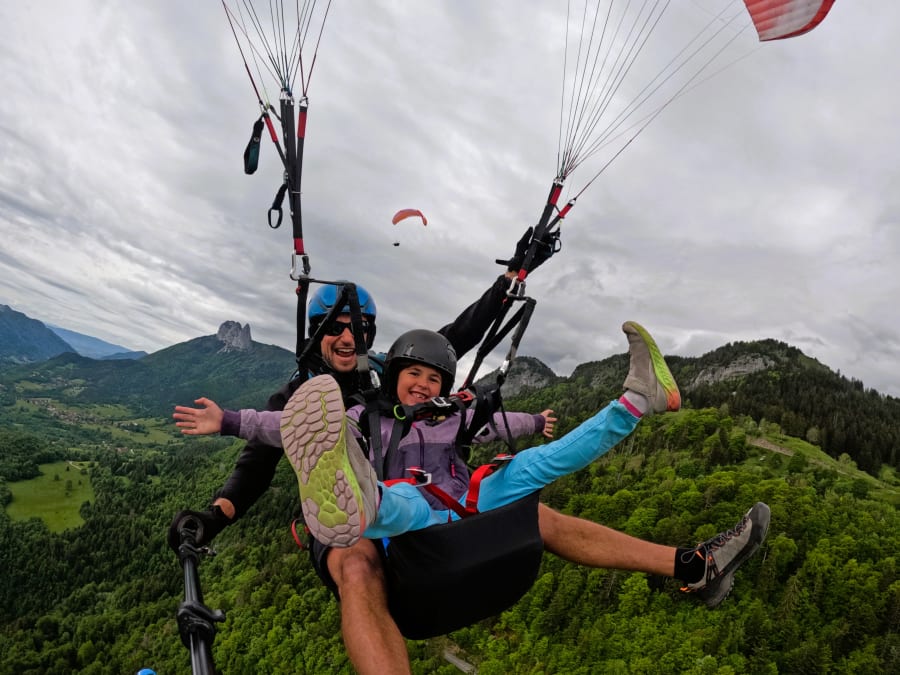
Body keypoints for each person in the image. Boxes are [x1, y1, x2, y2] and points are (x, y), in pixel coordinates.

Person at [173, 318, 771, 673]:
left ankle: (637, 403)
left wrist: (535, 423)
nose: (425, 385)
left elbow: (499, 429)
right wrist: (227, 420)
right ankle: (357, 501)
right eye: (415, 375)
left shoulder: (453, 419)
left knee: (534, 474)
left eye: (434, 380)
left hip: (460, 505)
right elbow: (282, 429)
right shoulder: (365, 414)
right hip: (403, 517)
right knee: (400, 500)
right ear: (395, 375)